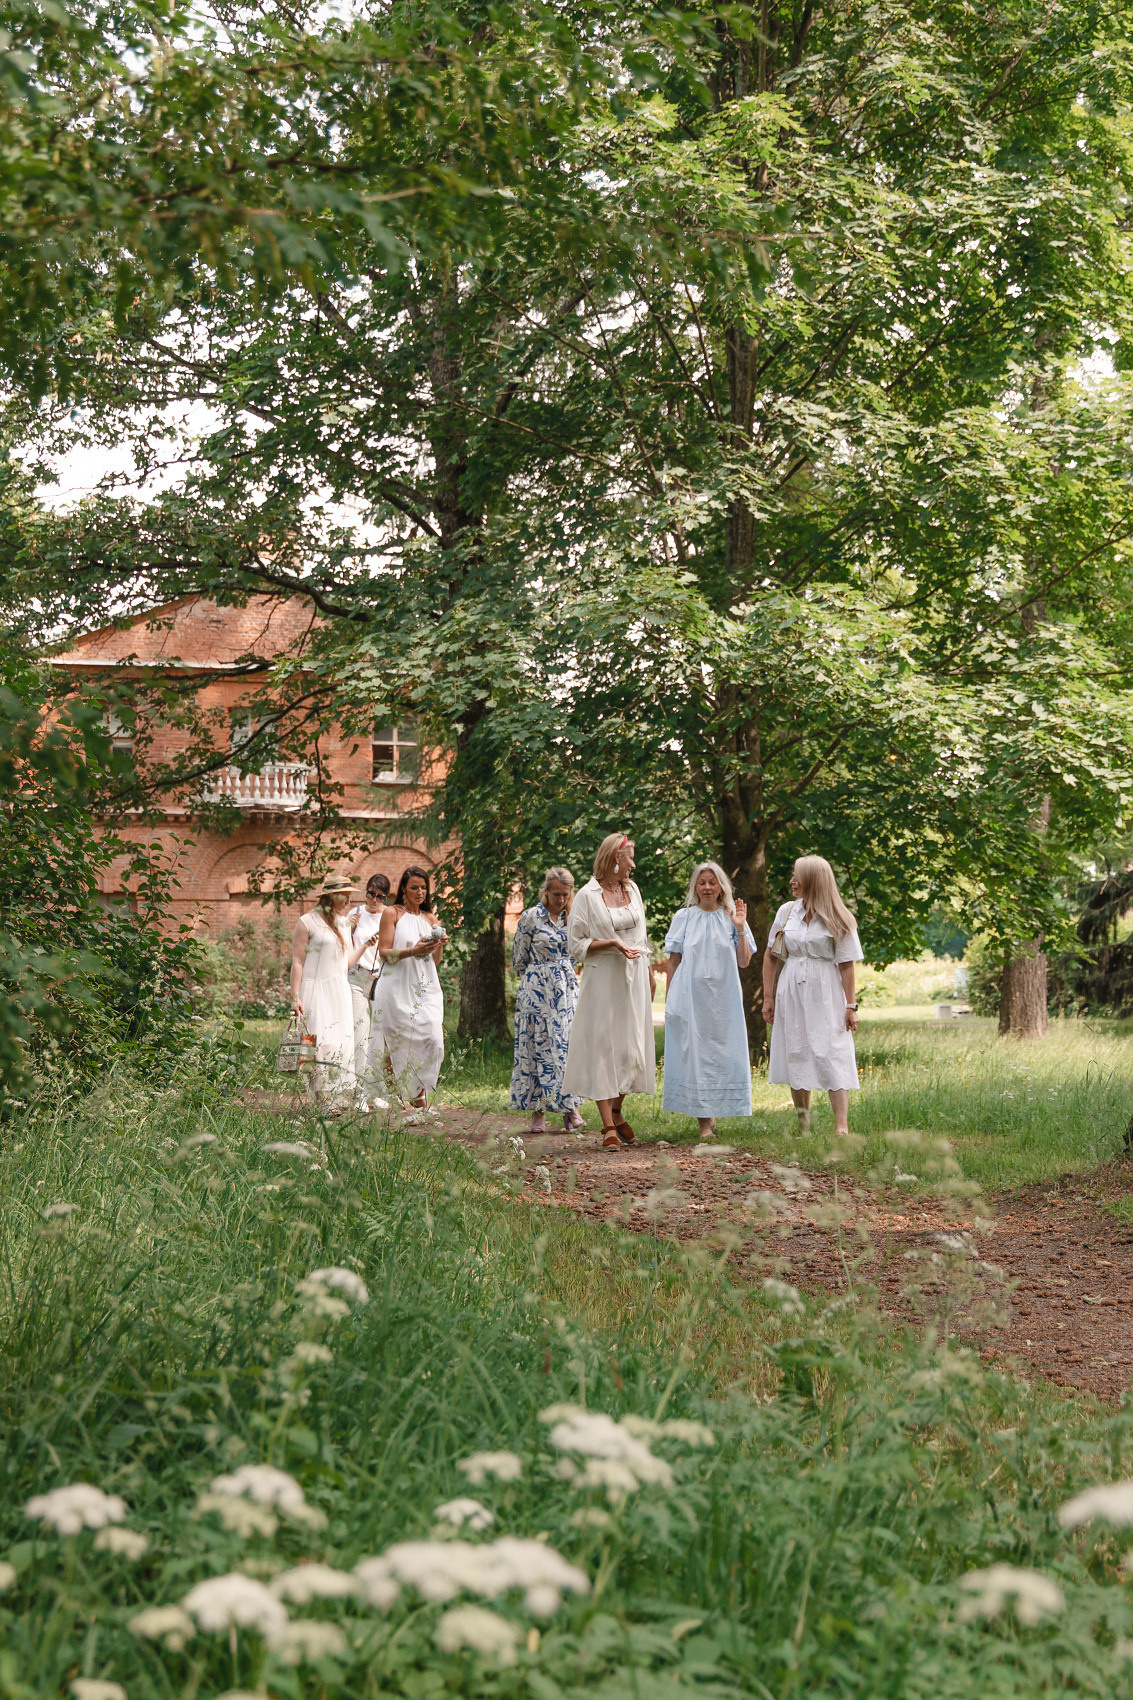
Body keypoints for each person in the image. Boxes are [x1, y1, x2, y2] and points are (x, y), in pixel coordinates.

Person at [562, 832, 655, 1149]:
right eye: (630, 857)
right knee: (603, 1047)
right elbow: (575, 945)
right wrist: (613, 943)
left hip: (634, 976)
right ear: (616, 858)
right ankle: (606, 1126)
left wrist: (649, 969)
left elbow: (641, 934)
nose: (633, 864)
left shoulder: (633, 889)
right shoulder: (588, 896)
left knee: (631, 1048)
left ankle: (617, 1109)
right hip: (603, 980)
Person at [761, 855, 863, 1136]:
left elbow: (846, 965)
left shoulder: (838, 917)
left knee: (831, 1050)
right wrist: (768, 998)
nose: (792, 881)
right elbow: (770, 956)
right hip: (791, 987)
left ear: (814, 881)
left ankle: (841, 1125)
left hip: (825, 990)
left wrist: (850, 1005)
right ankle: (803, 1123)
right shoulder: (786, 912)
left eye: (797, 876)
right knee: (796, 1048)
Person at [662, 861, 755, 1140]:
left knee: (722, 1053)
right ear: (695, 887)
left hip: (724, 999)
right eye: (701, 883)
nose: (706, 888)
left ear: (721, 887)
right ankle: (704, 1122)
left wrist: (739, 928)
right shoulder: (684, 917)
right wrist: (670, 1001)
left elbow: (744, 961)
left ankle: (715, 1109)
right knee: (697, 1055)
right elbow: (673, 961)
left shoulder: (732, 917)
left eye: (712, 882)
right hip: (691, 998)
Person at [510, 868, 587, 1136]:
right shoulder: (531, 916)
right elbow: (518, 958)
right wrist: (539, 976)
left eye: (565, 894)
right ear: (546, 891)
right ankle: (538, 1110)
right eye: (556, 894)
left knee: (565, 1045)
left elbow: (578, 952)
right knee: (536, 1046)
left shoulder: (574, 917)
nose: (561, 899)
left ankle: (570, 1109)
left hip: (565, 991)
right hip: (536, 990)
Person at [289, 876, 370, 1110]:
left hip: (338, 990)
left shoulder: (344, 923)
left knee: (337, 1043)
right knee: (316, 1043)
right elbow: (297, 961)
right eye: (344, 894)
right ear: (331, 895)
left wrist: (365, 945)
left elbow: (345, 963)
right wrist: (295, 995)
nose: (348, 899)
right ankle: (322, 1101)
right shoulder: (307, 922)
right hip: (314, 989)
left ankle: (331, 1098)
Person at [378, 866, 447, 1111]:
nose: (420, 892)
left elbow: (434, 961)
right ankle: (397, 1096)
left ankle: (419, 1090)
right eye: (414, 887)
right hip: (396, 986)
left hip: (425, 986)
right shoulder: (391, 913)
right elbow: (384, 954)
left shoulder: (430, 918)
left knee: (433, 1038)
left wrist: (438, 945)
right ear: (404, 890)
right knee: (395, 1041)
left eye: (424, 888)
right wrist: (412, 951)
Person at [348, 874, 391, 1111]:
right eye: (370, 893)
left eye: (380, 895)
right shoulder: (355, 914)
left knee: (378, 1038)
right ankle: (359, 1093)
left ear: (386, 897)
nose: (374, 899)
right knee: (360, 1036)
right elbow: (344, 942)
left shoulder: (389, 916)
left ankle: (377, 1091)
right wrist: (350, 927)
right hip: (356, 977)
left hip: (380, 979)